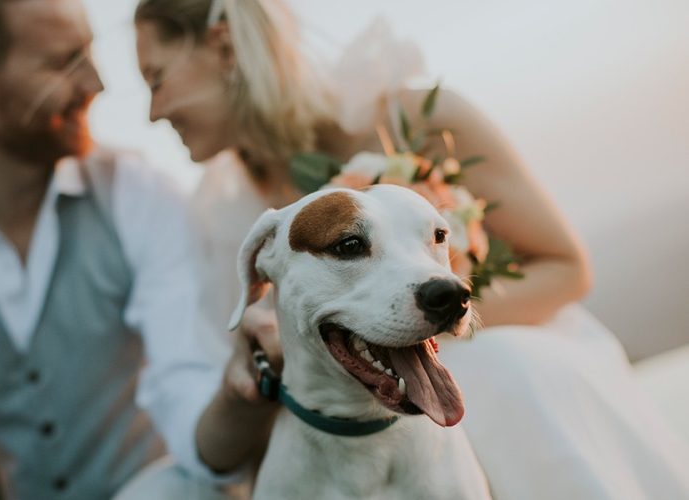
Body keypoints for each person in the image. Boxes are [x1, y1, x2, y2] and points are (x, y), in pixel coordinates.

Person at [132, 0, 689, 498]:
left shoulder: (418, 117)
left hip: (499, 343)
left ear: (222, 46)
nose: (153, 111)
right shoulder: (218, 214)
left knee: (504, 370)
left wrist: (431, 315)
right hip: (346, 423)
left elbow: (566, 268)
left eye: (156, 77)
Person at [0, 0, 275, 498]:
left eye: (89, 54)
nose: (97, 84)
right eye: (62, 62)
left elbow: (188, 384)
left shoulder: (137, 194)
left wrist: (238, 395)